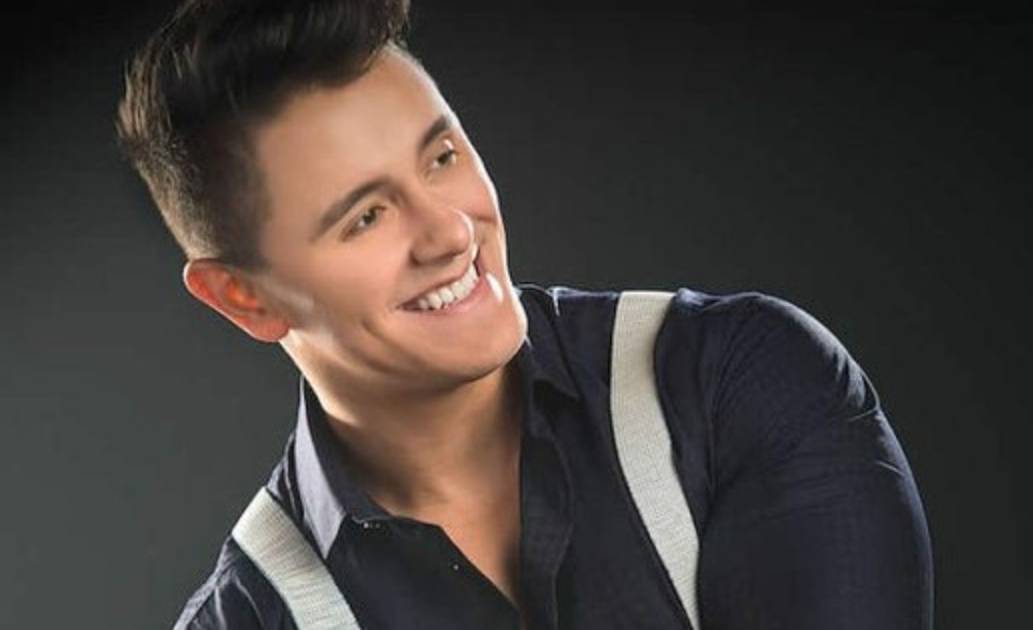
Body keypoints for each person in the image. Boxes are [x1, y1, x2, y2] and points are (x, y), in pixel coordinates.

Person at [115, 1, 933, 628]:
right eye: (366, 217)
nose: (449, 231)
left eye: (442, 157)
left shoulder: (738, 384)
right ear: (244, 297)